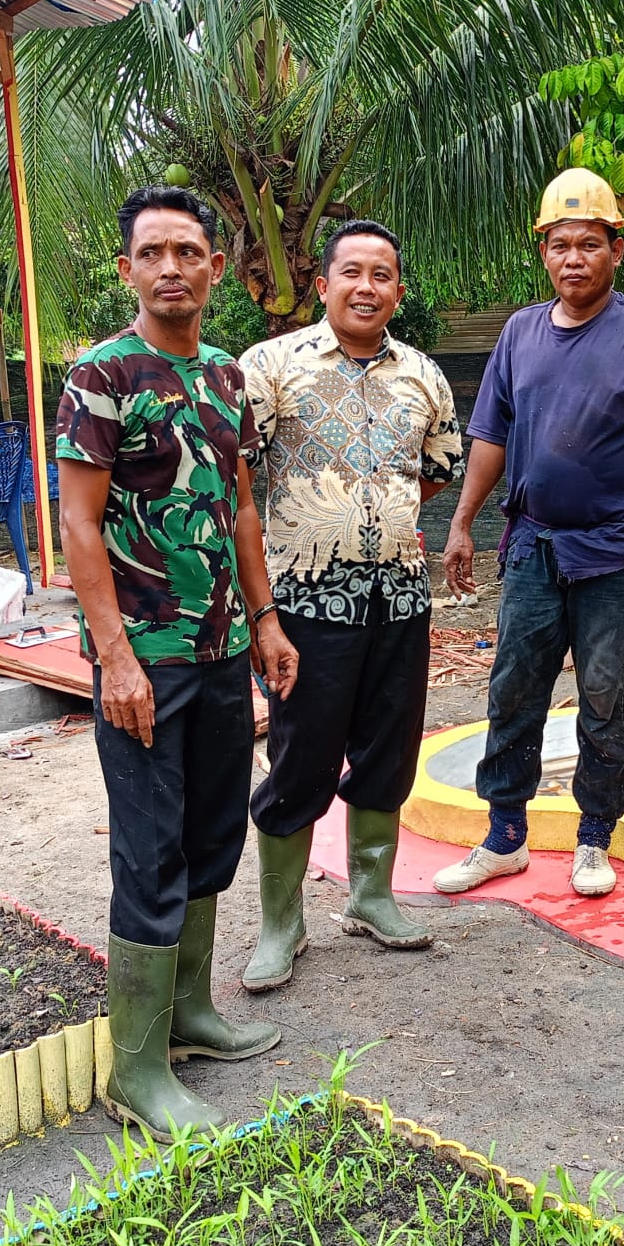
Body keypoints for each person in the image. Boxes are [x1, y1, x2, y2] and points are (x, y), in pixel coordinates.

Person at [56, 185, 299, 1140]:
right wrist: (114, 658)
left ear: (212, 267)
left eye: (187, 251)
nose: (170, 268)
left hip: (222, 650)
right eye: (152, 252)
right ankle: (138, 1069)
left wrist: (266, 623)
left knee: (209, 838)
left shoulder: (229, 379)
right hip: (143, 664)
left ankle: (191, 1014)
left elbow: (240, 507)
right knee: (148, 852)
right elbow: (77, 522)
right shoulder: (101, 378)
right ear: (128, 270)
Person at [434, 167, 624, 899]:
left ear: (616, 248)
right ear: (543, 253)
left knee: (607, 698)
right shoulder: (519, 333)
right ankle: (504, 837)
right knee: (513, 690)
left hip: (617, 552)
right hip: (532, 549)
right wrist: (461, 524)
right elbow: (489, 433)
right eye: (559, 244)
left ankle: (593, 838)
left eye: (589, 243)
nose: (573, 258)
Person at [237, 221, 461, 991]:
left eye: (383, 275)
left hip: (399, 597)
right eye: (352, 272)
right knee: (300, 757)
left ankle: (370, 898)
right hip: (303, 605)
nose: (367, 287)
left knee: (390, 752)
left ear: (399, 288)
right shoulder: (268, 367)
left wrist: (379, 513)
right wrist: (268, 601)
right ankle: (281, 922)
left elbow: (436, 468)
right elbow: (239, 478)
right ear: (325, 283)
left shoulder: (424, 374)